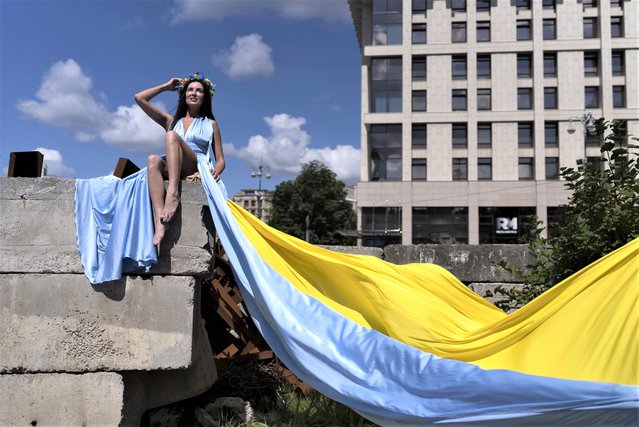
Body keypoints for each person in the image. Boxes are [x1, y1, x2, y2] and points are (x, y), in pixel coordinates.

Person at [134, 72, 225, 246]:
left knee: (172, 136)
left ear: (205, 97)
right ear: (184, 95)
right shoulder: (171, 120)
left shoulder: (210, 124)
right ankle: (161, 223)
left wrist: (215, 171)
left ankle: (173, 192)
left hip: (194, 165)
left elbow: (220, 159)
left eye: (199, 91)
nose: (194, 93)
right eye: (190, 89)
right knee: (153, 159)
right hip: (174, 165)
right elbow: (139, 98)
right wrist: (165, 87)